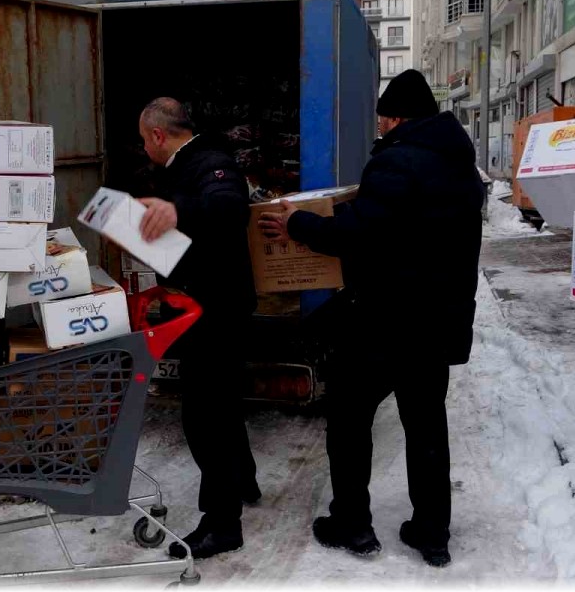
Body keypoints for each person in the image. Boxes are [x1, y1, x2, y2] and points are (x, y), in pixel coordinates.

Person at [258, 70, 484, 566]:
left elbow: (360, 233)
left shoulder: (398, 162)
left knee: (349, 418)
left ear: (398, 117)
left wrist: (297, 223)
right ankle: (431, 532)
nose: (379, 126)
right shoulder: (460, 165)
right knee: (426, 424)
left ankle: (352, 524)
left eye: (383, 117)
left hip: (386, 319)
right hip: (437, 318)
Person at [136, 97, 260, 560]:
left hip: (216, 310)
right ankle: (243, 481)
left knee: (207, 416)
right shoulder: (186, 164)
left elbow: (228, 209)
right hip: (202, 303)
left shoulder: (211, 163)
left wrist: (177, 210)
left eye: (142, 138)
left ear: (157, 135)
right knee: (224, 406)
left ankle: (222, 523)